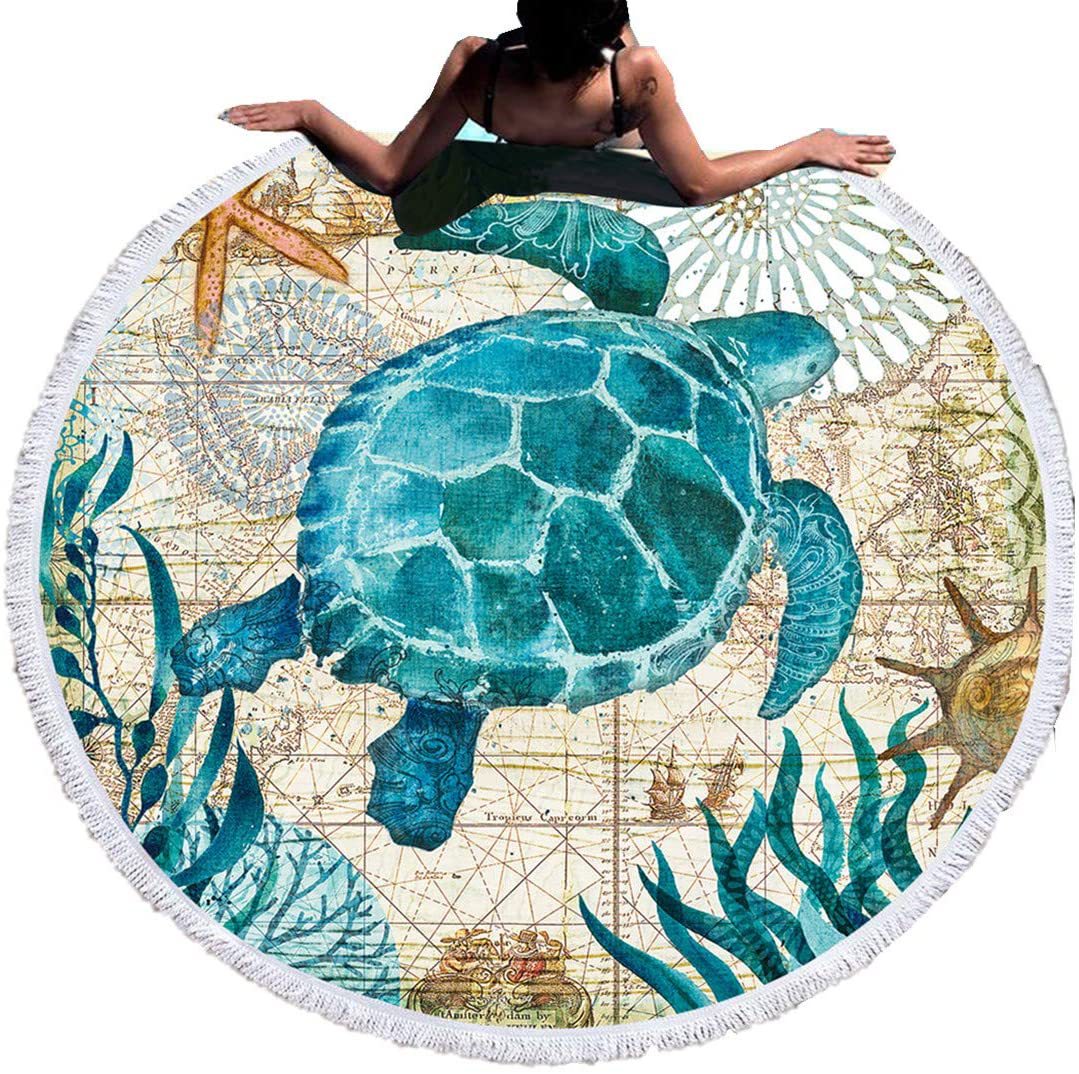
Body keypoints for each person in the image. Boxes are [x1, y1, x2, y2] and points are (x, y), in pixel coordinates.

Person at [224, 1, 894, 208]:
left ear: (523, 16)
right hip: (607, 127)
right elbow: (697, 185)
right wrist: (805, 147)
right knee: (633, 73)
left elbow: (389, 172)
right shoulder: (637, 73)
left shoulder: (476, 64)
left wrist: (312, 113)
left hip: (513, 115)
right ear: (610, 37)